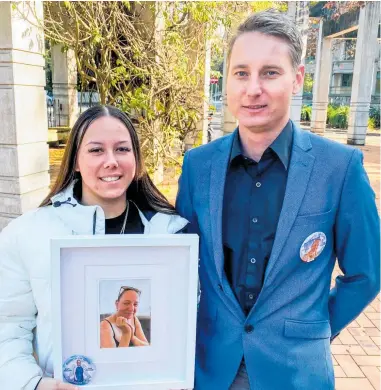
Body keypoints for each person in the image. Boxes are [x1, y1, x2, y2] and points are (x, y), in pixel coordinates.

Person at [176, 9, 380, 390]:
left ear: (297, 77)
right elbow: (180, 263)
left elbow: (367, 274)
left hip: (296, 372)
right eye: (241, 73)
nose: (253, 88)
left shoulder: (340, 167)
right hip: (212, 368)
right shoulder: (197, 166)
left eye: (270, 72)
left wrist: (314, 330)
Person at [0, 105, 188, 390]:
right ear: (75, 161)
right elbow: (7, 326)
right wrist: (34, 384)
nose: (111, 161)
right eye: (96, 150)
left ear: (136, 158)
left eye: (123, 149)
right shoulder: (27, 234)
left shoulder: (170, 235)